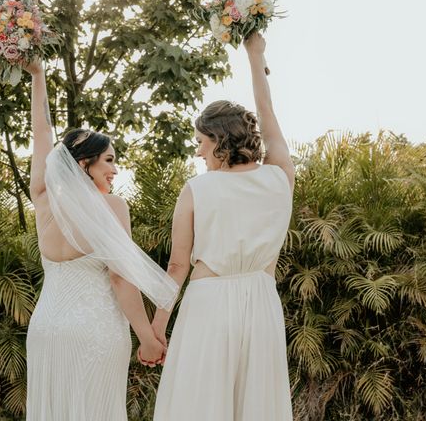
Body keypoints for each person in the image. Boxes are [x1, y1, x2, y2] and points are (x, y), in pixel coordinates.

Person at [151, 33, 295, 420]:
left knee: (199, 405)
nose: (197, 151)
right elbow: (267, 112)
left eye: (200, 141)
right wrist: (255, 56)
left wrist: (156, 331)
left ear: (219, 141)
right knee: (256, 406)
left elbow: (177, 266)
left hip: (209, 305)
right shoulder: (280, 175)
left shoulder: (198, 188)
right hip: (262, 303)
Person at [23, 60, 177, 421]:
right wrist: (147, 337)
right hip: (95, 332)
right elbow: (120, 277)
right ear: (83, 164)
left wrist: (37, 75)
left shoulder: (44, 200)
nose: (115, 168)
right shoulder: (112, 207)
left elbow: (40, 133)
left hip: (46, 329)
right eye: (108, 160)